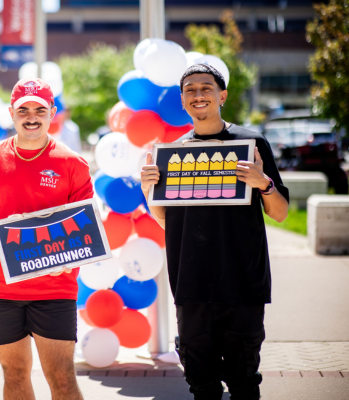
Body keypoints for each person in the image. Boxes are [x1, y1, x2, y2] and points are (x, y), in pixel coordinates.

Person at [141, 64, 289, 400]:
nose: (198, 95)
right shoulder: (172, 154)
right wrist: (148, 190)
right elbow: (165, 219)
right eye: (190, 89)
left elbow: (279, 213)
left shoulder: (251, 143)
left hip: (242, 285)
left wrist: (262, 183)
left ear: (222, 95)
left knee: (243, 383)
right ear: (182, 101)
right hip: (191, 285)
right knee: (201, 385)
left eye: (206, 88)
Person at [0, 78, 93, 400]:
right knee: (15, 375)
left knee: (61, 377)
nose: (31, 116)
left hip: (53, 286)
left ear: (52, 113)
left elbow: (86, 227)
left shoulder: (72, 163)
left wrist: (70, 258)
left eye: (40, 110)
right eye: (24, 110)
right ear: (12, 113)